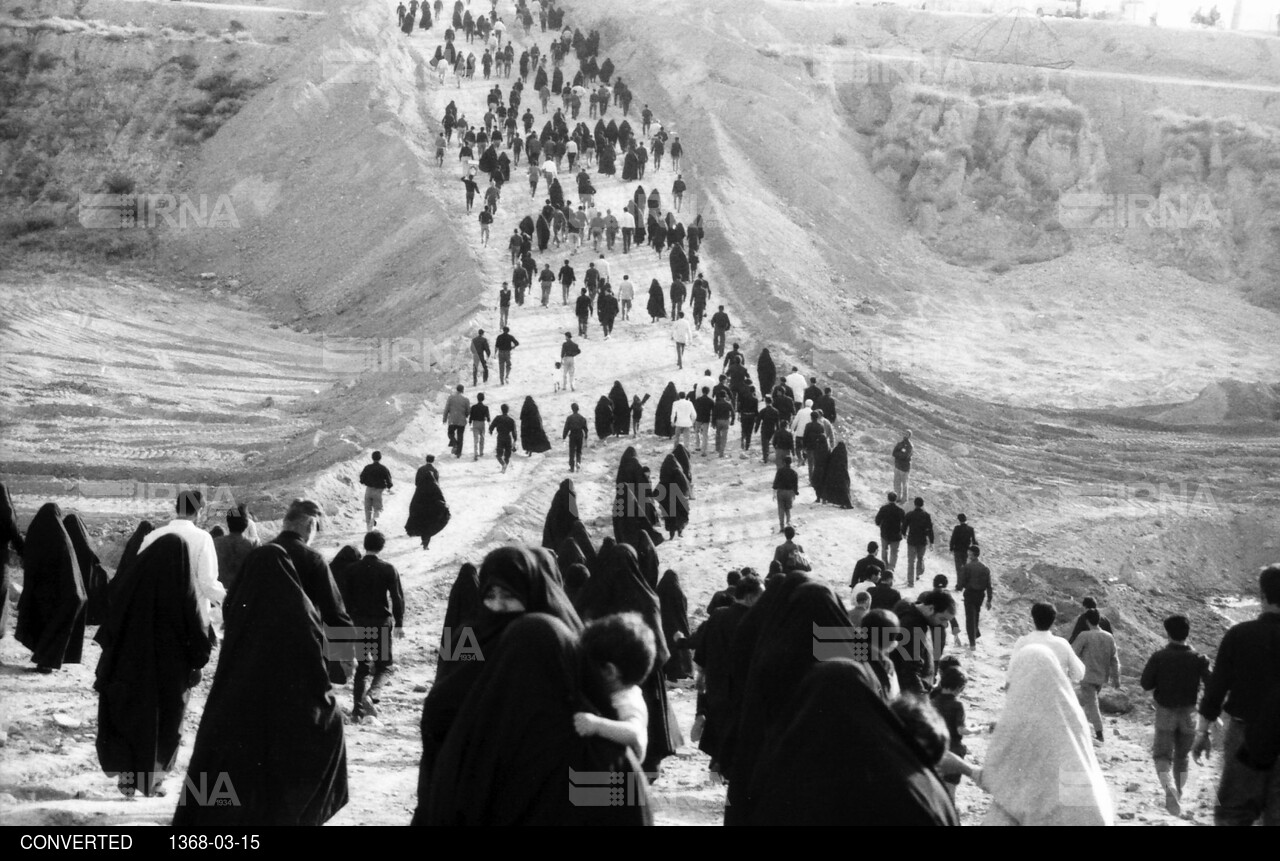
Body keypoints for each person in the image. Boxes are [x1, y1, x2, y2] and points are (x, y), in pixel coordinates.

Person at [172, 542, 348, 826]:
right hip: (290, 713)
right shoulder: (302, 614)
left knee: (215, 756)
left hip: (237, 708)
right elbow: (319, 671)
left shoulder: (240, 612)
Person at [93, 531, 211, 797]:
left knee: (130, 721)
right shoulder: (182, 586)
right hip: (169, 674)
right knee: (164, 726)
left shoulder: (132, 584)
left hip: (129, 668)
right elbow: (197, 628)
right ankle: (152, 782)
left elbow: (110, 625)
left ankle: (127, 780)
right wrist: (198, 662)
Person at [963, 644, 1113, 825]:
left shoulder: (1018, 716)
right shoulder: (1072, 711)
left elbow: (998, 771)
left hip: (1036, 807)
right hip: (1082, 803)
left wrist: (966, 769)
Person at [1193, 564, 1280, 826]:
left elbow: (1216, 688)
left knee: (1234, 812)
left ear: (1262, 596)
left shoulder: (1239, 635)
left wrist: (1203, 732)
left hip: (1245, 737)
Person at [1140, 614, 1211, 815]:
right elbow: (1212, 685)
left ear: (1168, 633)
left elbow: (1146, 683)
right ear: (1188, 633)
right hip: (1189, 713)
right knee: (1182, 757)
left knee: (1162, 755)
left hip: (1165, 713)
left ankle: (1168, 788)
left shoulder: (1159, 657)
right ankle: (1178, 793)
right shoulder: (1199, 659)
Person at [694, 574, 762, 776]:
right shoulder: (755, 621)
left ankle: (718, 764)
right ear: (750, 597)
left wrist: (701, 682)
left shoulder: (718, 616)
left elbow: (701, 655)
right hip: (743, 693)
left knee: (723, 734)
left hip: (717, 691)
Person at [335, 531, 404, 722]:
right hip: (381, 623)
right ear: (381, 547)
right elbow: (397, 598)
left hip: (358, 624)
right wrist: (399, 623)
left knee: (363, 667)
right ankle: (372, 695)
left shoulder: (351, 570)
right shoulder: (388, 569)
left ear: (365, 545)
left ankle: (357, 711)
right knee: (385, 667)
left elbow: (345, 601)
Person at [573, 612, 657, 762]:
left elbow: (634, 732)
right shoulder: (619, 691)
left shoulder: (629, 700)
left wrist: (597, 725)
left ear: (610, 672)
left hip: (624, 777)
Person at [138, 491, 223, 625]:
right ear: (198, 510)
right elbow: (207, 583)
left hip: (157, 617)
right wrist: (227, 600)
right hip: (193, 618)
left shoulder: (152, 537)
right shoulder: (203, 538)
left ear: (176, 508)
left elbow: (140, 576)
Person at [1072, 609, 1121, 742]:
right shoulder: (1108, 637)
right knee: (1090, 702)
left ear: (1087, 621)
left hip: (1086, 676)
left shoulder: (1084, 635)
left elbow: (1072, 653)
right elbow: (1114, 659)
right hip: (1101, 678)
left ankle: (1099, 733)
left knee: (1091, 704)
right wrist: (1116, 678)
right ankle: (1086, 729)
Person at [1012, 602, 1085, 683]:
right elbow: (1078, 673)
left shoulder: (1023, 642)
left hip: (1028, 692)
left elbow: (1012, 671)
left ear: (1033, 619)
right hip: (1055, 693)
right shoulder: (1062, 644)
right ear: (1053, 621)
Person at [930, 665, 968, 803]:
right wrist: (978, 729)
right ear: (959, 688)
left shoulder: (932, 700)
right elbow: (961, 730)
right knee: (950, 792)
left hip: (934, 750)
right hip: (953, 752)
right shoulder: (958, 705)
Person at [212, 504, 258, 596]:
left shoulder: (215, 543)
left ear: (228, 522)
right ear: (246, 524)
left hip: (220, 594)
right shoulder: (253, 546)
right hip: (244, 595)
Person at [405, 464, 450, 551]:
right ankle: (425, 544)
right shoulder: (435, 487)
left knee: (422, 526)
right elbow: (441, 498)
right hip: (431, 512)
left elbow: (414, 501)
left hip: (421, 512)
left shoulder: (420, 488)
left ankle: (424, 541)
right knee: (428, 528)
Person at [955, 545, 992, 649]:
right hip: (980, 595)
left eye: (969, 553)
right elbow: (989, 585)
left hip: (970, 594)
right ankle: (975, 636)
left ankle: (972, 643)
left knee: (970, 618)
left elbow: (961, 583)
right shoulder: (985, 568)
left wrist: (959, 587)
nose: (967, 554)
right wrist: (989, 600)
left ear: (971, 554)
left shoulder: (967, 567)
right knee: (976, 615)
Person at [900, 496, 933, 588]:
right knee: (920, 558)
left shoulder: (910, 514)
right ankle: (918, 573)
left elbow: (904, 526)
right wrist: (932, 542)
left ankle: (911, 582)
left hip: (912, 540)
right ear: (922, 505)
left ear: (915, 504)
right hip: (922, 541)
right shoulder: (927, 516)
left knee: (911, 561)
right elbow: (930, 530)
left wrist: (903, 534)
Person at [358, 451, 394, 531]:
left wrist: (366, 482)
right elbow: (389, 481)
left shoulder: (367, 467)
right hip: (378, 491)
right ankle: (374, 520)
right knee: (378, 509)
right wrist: (388, 487)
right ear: (380, 458)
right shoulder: (384, 468)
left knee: (367, 509)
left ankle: (368, 528)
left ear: (372, 458)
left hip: (368, 490)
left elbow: (361, 479)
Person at [489, 404, 518, 472]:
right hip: (508, 438)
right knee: (507, 455)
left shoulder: (498, 418)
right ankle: (504, 466)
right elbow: (514, 432)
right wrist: (515, 439)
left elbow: (492, 426)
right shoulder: (511, 420)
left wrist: (491, 430)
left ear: (501, 410)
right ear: (508, 410)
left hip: (500, 437)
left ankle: (503, 464)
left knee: (499, 454)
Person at [772, 458, 799, 532]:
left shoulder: (780, 471)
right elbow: (795, 485)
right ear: (791, 463)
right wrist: (796, 492)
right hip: (789, 492)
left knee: (781, 509)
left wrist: (774, 491)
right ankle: (788, 525)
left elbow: (776, 482)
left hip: (780, 492)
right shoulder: (794, 473)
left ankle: (781, 527)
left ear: (784, 462)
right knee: (788, 509)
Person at [443, 384, 469, 458]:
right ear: (462, 391)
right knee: (460, 436)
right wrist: (465, 415)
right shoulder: (465, 400)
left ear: (456, 390)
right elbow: (468, 411)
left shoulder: (451, 398)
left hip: (452, 420)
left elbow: (446, 409)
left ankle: (454, 443)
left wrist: (444, 418)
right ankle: (458, 453)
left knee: (450, 433)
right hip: (461, 421)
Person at [948, 513, 975, 579]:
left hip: (957, 550)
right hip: (966, 551)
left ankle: (959, 585)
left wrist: (951, 548)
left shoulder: (957, 528)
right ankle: (965, 583)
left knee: (958, 568)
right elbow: (974, 541)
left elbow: (953, 539)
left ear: (959, 520)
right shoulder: (971, 529)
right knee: (966, 567)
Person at [563, 402, 588, 471]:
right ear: (578, 409)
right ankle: (578, 463)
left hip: (573, 435)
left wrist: (564, 436)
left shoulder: (569, 418)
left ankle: (572, 467)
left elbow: (566, 428)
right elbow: (585, 428)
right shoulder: (582, 418)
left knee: (572, 451)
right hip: (580, 435)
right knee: (579, 451)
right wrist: (586, 436)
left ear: (572, 409)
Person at [468, 392, 490, 460]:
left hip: (475, 423)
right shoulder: (485, 407)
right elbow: (488, 417)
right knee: (482, 438)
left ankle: (475, 453)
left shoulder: (473, 407)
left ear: (477, 398)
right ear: (483, 399)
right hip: (482, 423)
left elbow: (471, 416)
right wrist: (488, 421)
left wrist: (470, 422)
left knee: (475, 439)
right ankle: (481, 452)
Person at [892, 430, 913, 499]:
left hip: (904, 468)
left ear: (909, 436)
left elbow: (905, 456)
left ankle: (904, 499)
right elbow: (894, 453)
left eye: (907, 434)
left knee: (904, 485)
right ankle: (897, 498)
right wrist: (900, 453)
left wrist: (899, 454)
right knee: (896, 483)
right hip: (897, 466)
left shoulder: (910, 446)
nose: (905, 435)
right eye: (904, 433)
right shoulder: (900, 443)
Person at [712, 391, 733, 457]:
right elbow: (733, 413)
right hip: (725, 421)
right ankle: (721, 452)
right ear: (725, 396)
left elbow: (714, 414)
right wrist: (732, 420)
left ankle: (717, 448)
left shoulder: (716, 404)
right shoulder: (728, 404)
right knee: (724, 437)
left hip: (718, 421)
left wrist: (713, 422)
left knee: (718, 435)